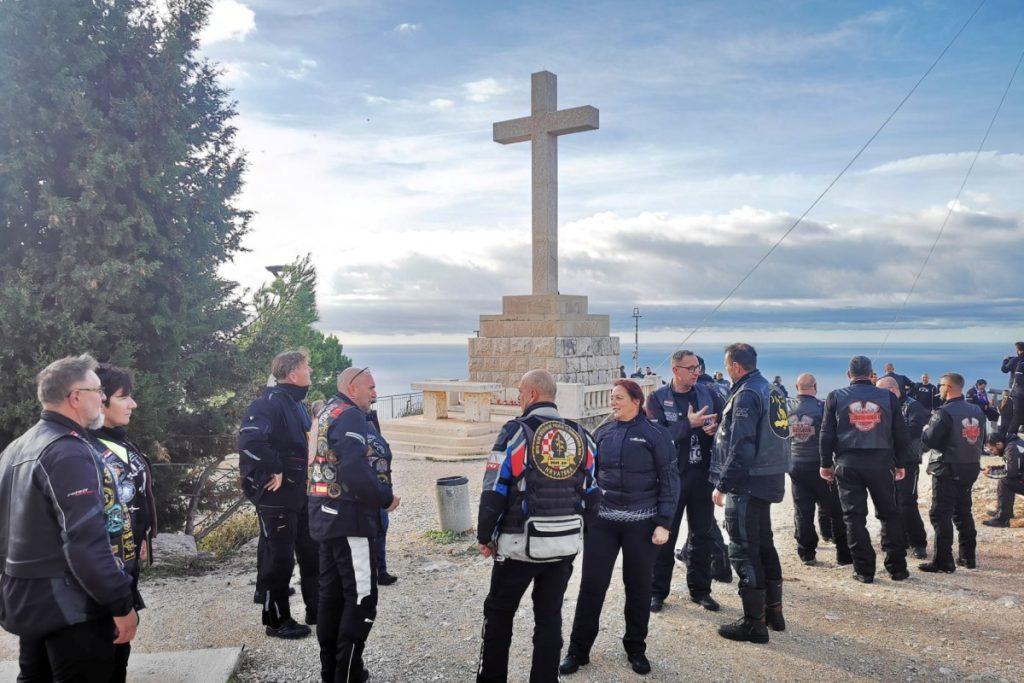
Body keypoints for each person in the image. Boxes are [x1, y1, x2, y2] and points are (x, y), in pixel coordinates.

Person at [0, 354, 139, 680]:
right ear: (75, 397)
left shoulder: (16, 447)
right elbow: (85, 543)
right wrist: (121, 604)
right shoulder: (68, 451)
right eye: (98, 390)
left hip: (31, 602)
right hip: (73, 610)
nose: (103, 398)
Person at [476, 369, 600, 683]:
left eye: (520, 393)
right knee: (549, 619)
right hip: (563, 546)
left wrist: (485, 534)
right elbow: (592, 492)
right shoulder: (582, 435)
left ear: (531, 395)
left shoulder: (515, 432)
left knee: (499, 615)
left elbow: (495, 486)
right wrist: (582, 533)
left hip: (519, 546)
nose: (518, 399)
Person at [560, 380, 677, 677]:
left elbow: (670, 481)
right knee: (591, 586)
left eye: (619, 398)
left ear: (636, 401)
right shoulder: (602, 432)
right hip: (603, 524)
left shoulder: (655, 434)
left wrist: (664, 523)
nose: (613, 403)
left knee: (638, 588)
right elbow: (587, 476)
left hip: (643, 525)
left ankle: (636, 649)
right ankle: (578, 651)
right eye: (611, 398)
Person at [309, 366, 399, 682]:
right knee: (363, 600)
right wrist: (383, 497)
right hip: (349, 521)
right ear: (352, 386)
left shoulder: (325, 411)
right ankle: (346, 675)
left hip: (324, 515)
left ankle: (333, 671)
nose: (375, 393)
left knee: (332, 597)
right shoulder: (349, 416)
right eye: (371, 387)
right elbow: (354, 468)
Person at [710, 343, 790, 643]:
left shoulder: (746, 393)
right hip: (769, 477)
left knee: (743, 549)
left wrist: (722, 484)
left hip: (748, 482)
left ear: (734, 366)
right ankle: (774, 612)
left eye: (726, 364)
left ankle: (753, 623)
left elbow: (741, 444)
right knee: (764, 543)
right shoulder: (772, 389)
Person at [238, 350, 319, 638]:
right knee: (280, 558)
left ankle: (316, 608)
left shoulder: (297, 404)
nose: (311, 371)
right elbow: (249, 440)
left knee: (311, 551)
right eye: (307, 367)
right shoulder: (267, 403)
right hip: (276, 495)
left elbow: (302, 445)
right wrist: (275, 468)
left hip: (300, 493)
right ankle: (277, 620)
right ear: (293, 374)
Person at [90, 363, 158, 681]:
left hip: (124, 568)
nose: (133, 404)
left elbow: (134, 497)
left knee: (119, 655)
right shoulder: (84, 448)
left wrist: (141, 535)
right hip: (100, 581)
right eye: (124, 397)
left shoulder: (117, 439)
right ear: (99, 401)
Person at [820, 356, 911, 583]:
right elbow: (901, 434)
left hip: (848, 463)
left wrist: (824, 464)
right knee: (889, 514)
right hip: (881, 463)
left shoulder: (835, 397)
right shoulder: (888, 397)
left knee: (854, 517)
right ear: (872, 374)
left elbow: (826, 435)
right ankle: (897, 568)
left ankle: (863, 570)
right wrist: (900, 463)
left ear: (848, 374)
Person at [646, 350, 724, 613]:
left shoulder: (708, 393)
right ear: (675, 370)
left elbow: (723, 422)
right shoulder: (656, 399)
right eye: (691, 368)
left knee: (702, 535)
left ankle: (701, 591)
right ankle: (657, 592)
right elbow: (657, 440)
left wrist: (715, 429)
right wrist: (687, 424)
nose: (696, 372)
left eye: (698, 368)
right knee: (664, 536)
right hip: (671, 479)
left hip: (702, 475)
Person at [918, 373, 985, 572]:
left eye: (940, 385)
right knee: (963, 511)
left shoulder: (944, 412)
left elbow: (929, 440)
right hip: (970, 465)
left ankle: (943, 560)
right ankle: (967, 557)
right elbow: (982, 438)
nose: (938, 389)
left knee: (940, 514)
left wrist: (925, 429)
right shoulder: (977, 411)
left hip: (947, 467)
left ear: (948, 387)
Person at [787, 373, 851, 566]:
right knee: (836, 510)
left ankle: (807, 553)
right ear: (814, 386)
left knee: (802, 510)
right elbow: (832, 435)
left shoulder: (787, 407)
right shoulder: (822, 407)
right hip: (819, 464)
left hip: (795, 463)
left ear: (796, 387)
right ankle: (843, 554)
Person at [876, 376, 931, 560]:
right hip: (885, 461)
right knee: (887, 502)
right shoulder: (882, 405)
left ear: (892, 389)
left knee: (907, 503)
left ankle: (918, 543)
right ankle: (892, 540)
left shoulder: (912, 405)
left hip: (908, 461)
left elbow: (914, 430)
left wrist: (889, 435)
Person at [983, 429, 1024, 527]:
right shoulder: (1014, 443)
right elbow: (1012, 467)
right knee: (1007, 481)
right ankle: (1003, 512)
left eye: (992, 449)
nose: (992, 453)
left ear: (998, 444)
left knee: (1005, 482)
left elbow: (1010, 473)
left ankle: (1002, 519)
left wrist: (990, 473)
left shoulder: (1011, 448)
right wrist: (993, 468)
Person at [1000, 342, 1024, 439]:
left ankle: (1011, 437)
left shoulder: (1015, 360)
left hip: (1017, 391)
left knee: (1015, 414)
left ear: (1017, 350)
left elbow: (1004, 369)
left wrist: (1005, 361)